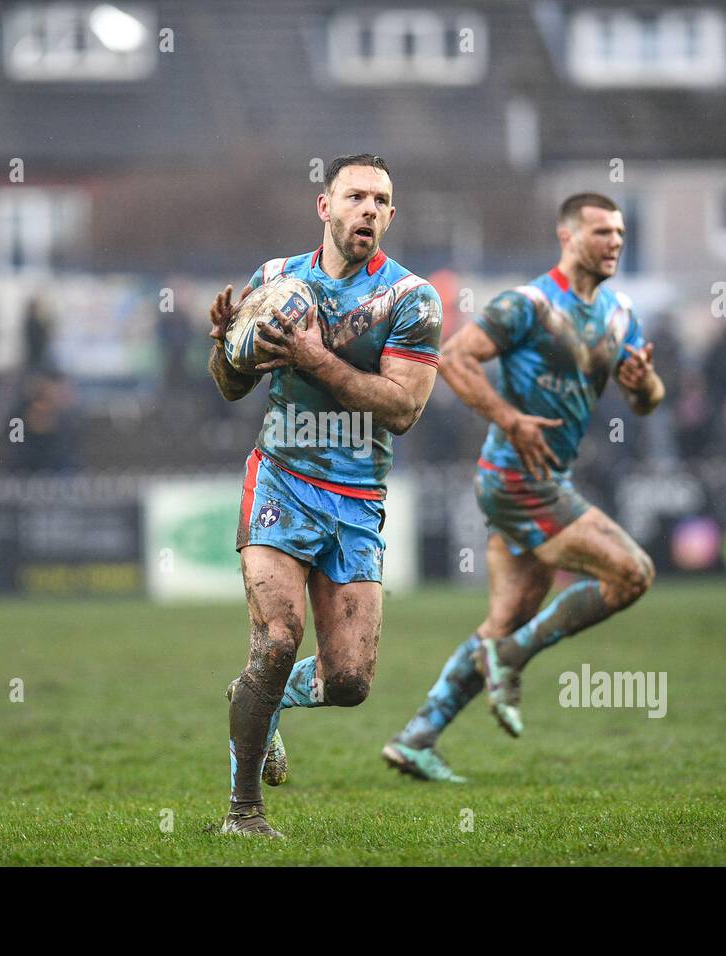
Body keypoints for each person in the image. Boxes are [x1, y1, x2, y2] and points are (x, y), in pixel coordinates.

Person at [383, 193, 665, 782]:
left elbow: (646, 402)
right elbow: (455, 358)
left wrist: (644, 386)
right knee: (632, 572)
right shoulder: (528, 305)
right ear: (567, 237)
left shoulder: (620, 315)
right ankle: (509, 660)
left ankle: (417, 736)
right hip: (515, 478)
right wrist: (511, 420)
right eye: (600, 232)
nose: (614, 241)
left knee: (505, 620)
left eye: (619, 232)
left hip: (543, 479)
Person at [207, 154, 442, 836]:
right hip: (280, 478)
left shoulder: (410, 300)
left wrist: (316, 360)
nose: (369, 209)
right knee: (277, 641)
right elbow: (227, 384)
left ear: (392, 217)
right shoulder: (275, 280)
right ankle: (243, 813)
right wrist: (225, 345)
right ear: (326, 207)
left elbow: (401, 409)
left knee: (350, 682)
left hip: (357, 498)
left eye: (382, 200)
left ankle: (260, 699)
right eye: (357, 196)